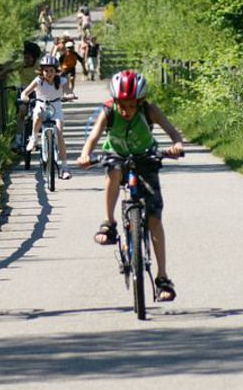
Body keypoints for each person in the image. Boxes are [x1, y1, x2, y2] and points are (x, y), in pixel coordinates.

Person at [77, 70, 185, 302]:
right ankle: (109, 223)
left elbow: (174, 133)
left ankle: (163, 277)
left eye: (131, 105)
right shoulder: (108, 112)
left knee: (155, 218)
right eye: (122, 105)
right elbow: (94, 137)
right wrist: (85, 154)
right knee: (114, 171)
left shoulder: (150, 110)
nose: (126, 111)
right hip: (116, 154)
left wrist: (176, 145)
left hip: (146, 157)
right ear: (115, 101)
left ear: (141, 102)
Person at [20, 54, 73, 180]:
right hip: (41, 106)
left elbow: (68, 91)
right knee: (37, 115)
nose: (48, 73)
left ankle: (64, 167)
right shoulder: (38, 81)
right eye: (46, 70)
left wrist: (69, 95)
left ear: (56, 71)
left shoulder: (61, 81)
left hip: (56, 109)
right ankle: (34, 138)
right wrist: (25, 97)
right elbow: (25, 92)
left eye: (51, 70)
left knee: (59, 133)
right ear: (41, 71)